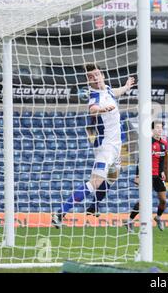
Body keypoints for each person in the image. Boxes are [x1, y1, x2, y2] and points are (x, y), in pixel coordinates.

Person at [52, 64, 135, 228]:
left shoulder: (108, 90)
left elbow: (114, 92)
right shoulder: (94, 96)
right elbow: (93, 109)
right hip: (106, 147)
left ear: (102, 75)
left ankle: (94, 206)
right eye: (91, 77)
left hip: (117, 146)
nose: (95, 78)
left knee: (113, 177)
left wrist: (125, 87)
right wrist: (102, 109)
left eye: (96, 75)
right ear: (88, 81)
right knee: (95, 182)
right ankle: (60, 212)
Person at [126, 120, 168, 232]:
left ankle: (158, 217)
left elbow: (162, 159)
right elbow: (140, 160)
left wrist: (162, 171)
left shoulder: (164, 144)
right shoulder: (147, 142)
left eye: (161, 128)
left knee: (164, 200)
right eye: (157, 127)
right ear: (152, 129)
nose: (160, 129)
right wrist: (137, 175)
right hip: (146, 174)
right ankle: (130, 220)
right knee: (144, 201)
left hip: (157, 176)